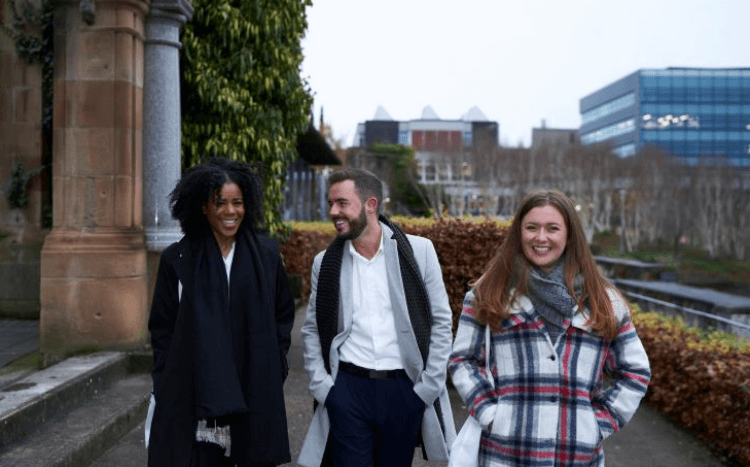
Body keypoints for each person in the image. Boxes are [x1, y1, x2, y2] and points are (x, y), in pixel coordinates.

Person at [449, 189, 651, 466]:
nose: (540, 238)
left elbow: (634, 371)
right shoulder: (489, 293)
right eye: (531, 227)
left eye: (552, 228)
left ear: (569, 235)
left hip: (576, 457)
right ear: (519, 233)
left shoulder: (604, 301)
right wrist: (490, 414)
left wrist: (598, 424)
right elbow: (463, 360)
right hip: (505, 454)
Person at [298, 168, 456, 467]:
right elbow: (311, 330)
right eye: (331, 203)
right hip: (348, 389)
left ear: (371, 204)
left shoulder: (420, 251)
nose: (333, 211)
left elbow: (441, 322)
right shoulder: (326, 263)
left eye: (342, 203)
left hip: (404, 389)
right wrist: (325, 390)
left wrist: (426, 390)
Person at [147, 157, 295, 467]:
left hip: (253, 387)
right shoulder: (178, 258)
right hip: (193, 395)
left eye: (237, 203)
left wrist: (275, 363)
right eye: (220, 203)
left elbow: (282, 314)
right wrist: (166, 378)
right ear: (203, 207)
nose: (231, 211)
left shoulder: (267, 255)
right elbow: (162, 326)